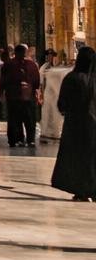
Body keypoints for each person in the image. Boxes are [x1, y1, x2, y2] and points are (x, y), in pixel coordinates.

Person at [52, 46, 96, 200]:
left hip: (75, 126)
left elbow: (62, 104)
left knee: (76, 158)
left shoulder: (72, 78)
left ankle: (81, 191)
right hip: (93, 126)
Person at [1, 43, 41, 148]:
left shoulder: (30, 64)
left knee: (28, 119)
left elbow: (36, 81)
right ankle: (19, 139)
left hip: (24, 96)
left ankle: (28, 139)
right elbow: (4, 80)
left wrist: (35, 91)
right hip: (16, 96)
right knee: (18, 119)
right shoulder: (10, 64)